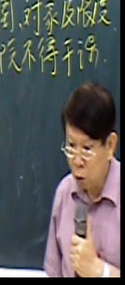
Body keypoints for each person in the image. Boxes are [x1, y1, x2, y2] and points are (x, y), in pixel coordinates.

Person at [44, 82, 120, 277]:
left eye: (87, 149)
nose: (77, 161)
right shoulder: (64, 194)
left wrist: (100, 271)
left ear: (110, 146)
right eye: (71, 146)